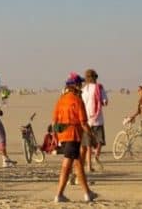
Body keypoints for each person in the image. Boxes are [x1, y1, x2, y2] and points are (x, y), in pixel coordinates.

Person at [52, 73, 98, 203]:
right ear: (74, 85)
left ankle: (87, 193)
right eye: (79, 84)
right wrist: (92, 137)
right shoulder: (77, 100)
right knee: (67, 165)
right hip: (73, 135)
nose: (81, 86)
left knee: (78, 164)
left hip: (63, 135)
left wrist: (55, 136)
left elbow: (54, 120)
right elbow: (83, 123)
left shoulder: (61, 99)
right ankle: (59, 194)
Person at [80, 69, 109, 171]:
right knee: (100, 141)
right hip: (98, 119)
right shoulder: (99, 88)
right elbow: (105, 102)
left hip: (86, 120)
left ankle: (89, 166)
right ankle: (96, 156)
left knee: (88, 145)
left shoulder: (83, 90)